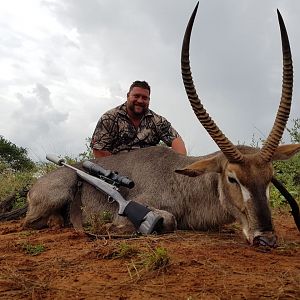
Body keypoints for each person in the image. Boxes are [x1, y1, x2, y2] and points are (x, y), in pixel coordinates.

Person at [91, 80, 187, 158]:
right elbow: (99, 150)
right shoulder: (109, 118)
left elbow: (176, 140)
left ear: (149, 100)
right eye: (136, 96)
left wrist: (181, 162)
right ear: (128, 96)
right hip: (117, 170)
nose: (140, 101)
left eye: (145, 98)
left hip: (148, 169)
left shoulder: (158, 121)